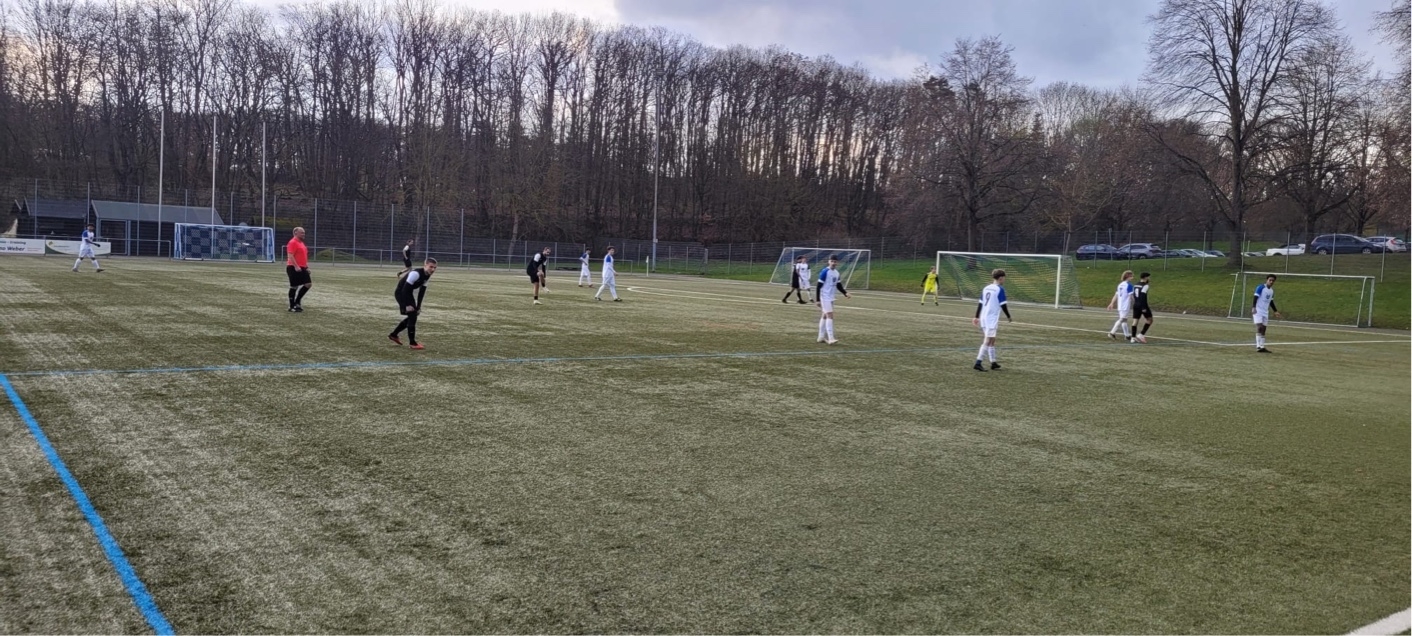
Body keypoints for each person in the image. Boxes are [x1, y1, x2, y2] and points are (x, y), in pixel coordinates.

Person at [389, 257, 437, 350]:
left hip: (408, 293)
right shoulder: (415, 273)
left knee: (413, 315)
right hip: (401, 293)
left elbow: (422, 292)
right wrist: (407, 305)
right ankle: (412, 343)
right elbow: (404, 290)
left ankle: (394, 335)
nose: (433, 269)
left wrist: (418, 306)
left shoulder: (427, 275)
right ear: (425, 265)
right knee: (412, 316)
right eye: (431, 267)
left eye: (435, 267)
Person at [971, 269, 1012, 371]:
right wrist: (1008, 316)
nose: (1004, 280)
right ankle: (978, 362)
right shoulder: (999, 289)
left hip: (984, 317)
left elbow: (980, 303)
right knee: (987, 340)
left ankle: (993, 362)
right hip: (991, 318)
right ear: (1000, 278)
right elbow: (1003, 305)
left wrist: (976, 316)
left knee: (992, 340)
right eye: (1004, 278)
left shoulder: (986, 288)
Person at [815, 255, 850, 344]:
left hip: (831, 297)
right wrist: (818, 300)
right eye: (832, 261)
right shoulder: (825, 272)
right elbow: (818, 286)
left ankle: (820, 337)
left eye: (835, 261)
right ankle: (831, 338)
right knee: (830, 315)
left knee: (824, 315)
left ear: (837, 263)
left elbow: (838, 285)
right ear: (829, 262)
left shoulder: (836, 273)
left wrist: (845, 293)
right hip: (824, 297)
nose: (833, 263)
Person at [285, 227, 312, 312]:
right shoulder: (292, 242)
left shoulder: (301, 243)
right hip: (293, 267)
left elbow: (303, 257)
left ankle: (297, 302)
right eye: (302, 233)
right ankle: (291, 306)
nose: (304, 234)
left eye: (304, 232)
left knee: (308, 284)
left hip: (302, 267)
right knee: (294, 286)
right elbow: (290, 255)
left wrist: (306, 267)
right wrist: (296, 266)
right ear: (295, 233)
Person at [1252, 274, 1281, 353]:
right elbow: (1255, 297)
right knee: (1259, 327)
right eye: (1270, 280)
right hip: (1258, 310)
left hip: (1265, 311)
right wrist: (1253, 307)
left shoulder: (1271, 291)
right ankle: (1258, 346)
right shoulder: (1261, 287)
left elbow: (1271, 301)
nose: (1271, 282)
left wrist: (1275, 311)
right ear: (1267, 280)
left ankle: (1262, 346)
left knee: (1264, 329)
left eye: (1273, 280)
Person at [1105, 270, 1136, 342]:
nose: (1132, 278)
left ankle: (1127, 335)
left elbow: (1116, 295)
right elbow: (1131, 296)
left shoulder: (1120, 285)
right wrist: (1136, 302)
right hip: (1125, 305)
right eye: (1131, 276)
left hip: (1120, 305)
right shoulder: (1129, 285)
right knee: (1122, 319)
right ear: (1128, 276)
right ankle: (1112, 333)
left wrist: (1111, 303)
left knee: (1124, 320)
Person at [1130, 272, 1154, 343]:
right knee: (1150, 320)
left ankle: (1133, 338)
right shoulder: (1145, 286)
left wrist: (1136, 303)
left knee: (1135, 321)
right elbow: (1143, 296)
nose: (1149, 278)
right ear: (1145, 277)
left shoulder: (1135, 285)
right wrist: (1144, 307)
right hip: (1142, 305)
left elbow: (1134, 295)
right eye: (1148, 277)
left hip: (1136, 304)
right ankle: (1141, 334)